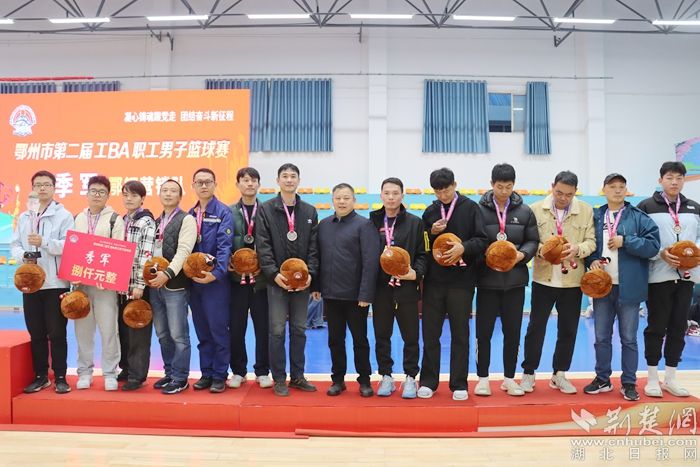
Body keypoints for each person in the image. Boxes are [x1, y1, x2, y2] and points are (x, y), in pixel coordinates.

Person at [584, 173, 659, 401]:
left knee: (628, 338)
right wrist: (592, 261)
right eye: (612, 186)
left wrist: (626, 241)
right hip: (602, 287)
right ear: (604, 190)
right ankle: (602, 379)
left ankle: (628, 383)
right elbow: (589, 245)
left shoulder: (639, 217)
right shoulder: (596, 216)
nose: (617, 190)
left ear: (626, 190)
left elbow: (653, 246)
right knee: (601, 337)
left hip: (629, 287)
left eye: (621, 187)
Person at [521, 171, 595, 394]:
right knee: (536, 328)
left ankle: (559, 374)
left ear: (575, 192)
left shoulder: (586, 211)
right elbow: (530, 241)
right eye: (559, 192)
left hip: (572, 282)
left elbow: (591, 241)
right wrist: (546, 251)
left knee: (568, 330)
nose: (563, 198)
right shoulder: (535, 209)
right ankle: (528, 373)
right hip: (543, 280)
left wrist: (577, 249)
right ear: (552, 186)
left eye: (569, 195)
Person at [418, 168, 488, 400]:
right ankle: (428, 381)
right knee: (430, 333)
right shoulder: (430, 211)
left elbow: (482, 240)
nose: (443, 195)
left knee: (460, 333)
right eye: (438, 192)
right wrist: (430, 231)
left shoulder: (471, 208)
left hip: (462, 281)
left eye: (446, 190)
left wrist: (463, 248)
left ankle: (459, 384)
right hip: (434, 282)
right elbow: (422, 244)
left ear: (455, 185)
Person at [475, 164, 539, 397]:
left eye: (508, 187)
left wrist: (521, 255)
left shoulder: (525, 211)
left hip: (515, 282)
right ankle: (483, 379)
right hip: (487, 282)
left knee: (513, 333)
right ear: (492, 184)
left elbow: (533, 240)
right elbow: (474, 240)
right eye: (500, 186)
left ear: (514, 185)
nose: (504, 191)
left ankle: (509, 379)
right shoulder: (478, 210)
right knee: (484, 333)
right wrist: (486, 253)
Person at [256, 163, 319, 397]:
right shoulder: (266, 209)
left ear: (298, 181)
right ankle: (280, 378)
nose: (289, 180)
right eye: (285, 176)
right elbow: (263, 246)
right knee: (276, 331)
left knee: (300, 329)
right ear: (278, 180)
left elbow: (314, 248)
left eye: (293, 176)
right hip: (277, 282)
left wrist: (310, 274)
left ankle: (298, 376)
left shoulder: (309, 211)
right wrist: (274, 274)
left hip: (302, 282)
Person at [637, 161, 700, 397]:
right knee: (656, 326)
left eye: (679, 178)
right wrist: (660, 253)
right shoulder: (646, 206)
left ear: (684, 181)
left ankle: (671, 377)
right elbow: (640, 239)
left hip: (686, 277)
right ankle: (653, 378)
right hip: (658, 276)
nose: (674, 182)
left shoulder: (694, 208)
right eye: (670, 177)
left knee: (678, 326)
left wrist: (694, 255)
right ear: (660, 180)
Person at [11, 170, 74, 394]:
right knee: (36, 333)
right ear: (33, 188)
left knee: (57, 333)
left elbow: (69, 245)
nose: (42, 188)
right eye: (38, 185)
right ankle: (40, 376)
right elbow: (15, 244)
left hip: (56, 282)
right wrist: (24, 256)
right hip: (30, 282)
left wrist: (44, 242)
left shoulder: (64, 215)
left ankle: (60, 377)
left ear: (54, 188)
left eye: (47, 184)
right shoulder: (25, 217)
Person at [317, 183, 380, 397]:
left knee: (360, 340)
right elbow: (318, 257)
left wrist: (366, 293)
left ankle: (364, 380)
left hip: (356, 297)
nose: (342, 201)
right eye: (338, 198)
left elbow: (370, 261)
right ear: (332, 200)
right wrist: (317, 286)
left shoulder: (364, 225)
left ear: (354, 200)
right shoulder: (324, 225)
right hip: (331, 294)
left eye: (346, 198)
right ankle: (338, 380)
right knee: (335, 340)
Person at [369, 177, 428, 399]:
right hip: (381, 289)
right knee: (381, 335)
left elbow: (423, 254)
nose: (391, 197)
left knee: (410, 336)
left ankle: (411, 377)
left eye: (395, 193)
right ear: (381, 195)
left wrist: (416, 274)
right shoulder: (372, 222)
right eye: (387, 193)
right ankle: (386, 376)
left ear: (402, 195)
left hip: (406, 288)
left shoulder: (416, 223)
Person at [73, 175, 126, 391]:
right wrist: (73, 275)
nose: (97, 195)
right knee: (83, 331)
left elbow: (119, 251)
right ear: (87, 193)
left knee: (109, 330)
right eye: (93, 191)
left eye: (102, 192)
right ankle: (84, 372)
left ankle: (110, 373)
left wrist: (107, 275)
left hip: (105, 286)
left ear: (108, 195)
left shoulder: (115, 219)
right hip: (81, 286)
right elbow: (72, 249)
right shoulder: (78, 218)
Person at [148, 179, 197, 395]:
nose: (168, 194)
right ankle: (169, 372)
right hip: (154, 285)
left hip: (175, 286)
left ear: (180, 196)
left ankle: (180, 377)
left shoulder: (187, 219)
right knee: (162, 334)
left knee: (178, 335)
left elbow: (184, 251)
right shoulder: (156, 221)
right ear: (159, 194)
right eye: (165, 190)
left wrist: (167, 274)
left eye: (173, 191)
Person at [188, 168, 234, 394]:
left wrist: (215, 274)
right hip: (195, 282)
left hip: (215, 282)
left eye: (208, 182)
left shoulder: (223, 212)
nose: (204, 186)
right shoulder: (190, 214)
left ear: (215, 184)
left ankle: (219, 375)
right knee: (202, 330)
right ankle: (206, 373)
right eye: (199, 182)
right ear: (193, 186)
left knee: (218, 329)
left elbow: (225, 247)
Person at [227, 167, 272, 389]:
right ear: (238, 184)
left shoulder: (268, 211)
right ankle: (238, 371)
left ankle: (262, 371)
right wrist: (228, 262)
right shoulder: (229, 212)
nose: (250, 184)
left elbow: (273, 243)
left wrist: (265, 266)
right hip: (236, 281)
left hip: (261, 282)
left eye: (254, 180)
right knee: (236, 328)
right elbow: (223, 241)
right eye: (245, 180)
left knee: (263, 328)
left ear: (259, 184)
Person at [117, 181, 156, 391]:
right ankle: (126, 368)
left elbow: (146, 254)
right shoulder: (123, 220)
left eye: (134, 195)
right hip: (121, 285)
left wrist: (141, 284)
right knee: (123, 329)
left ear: (142, 199)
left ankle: (137, 375)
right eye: (126, 195)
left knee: (138, 332)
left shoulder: (146, 221)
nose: (129, 198)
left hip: (137, 286)